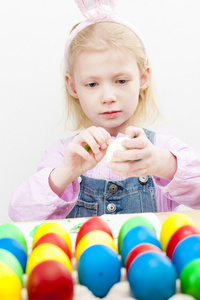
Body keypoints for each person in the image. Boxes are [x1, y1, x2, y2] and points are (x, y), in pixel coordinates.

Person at [9, 0, 200, 221]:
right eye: (92, 84)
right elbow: (19, 214)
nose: (108, 97)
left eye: (120, 80)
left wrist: (164, 164)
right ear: (73, 87)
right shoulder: (65, 153)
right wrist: (65, 173)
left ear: (143, 78)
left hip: (144, 256)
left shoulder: (161, 149)